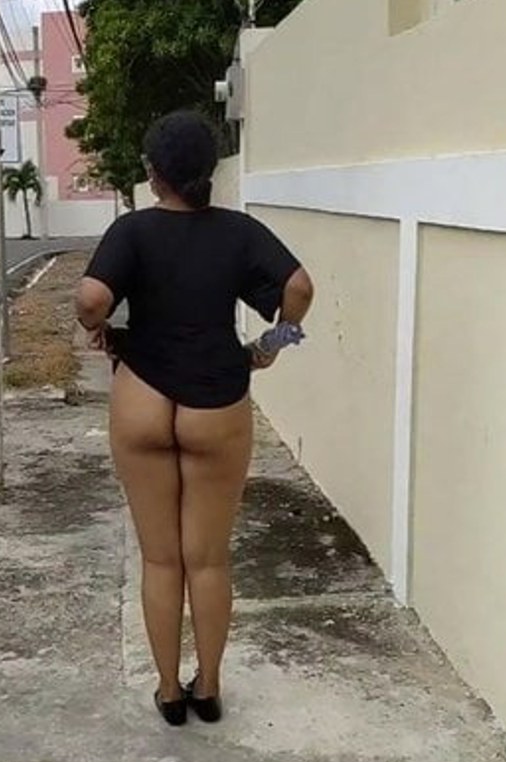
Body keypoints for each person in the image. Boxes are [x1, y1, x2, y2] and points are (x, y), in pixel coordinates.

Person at [75, 111, 314, 726]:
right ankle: (207, 688)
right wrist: (274, 343)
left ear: (154, 173)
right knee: (207, 559)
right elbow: (299, 287)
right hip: (217, 399)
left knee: (160, 559)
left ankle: (168, 691)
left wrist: (98, 329)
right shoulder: (239, 232)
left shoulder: (131, 230)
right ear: (209, 171)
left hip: (143, 396)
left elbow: (91, 298)